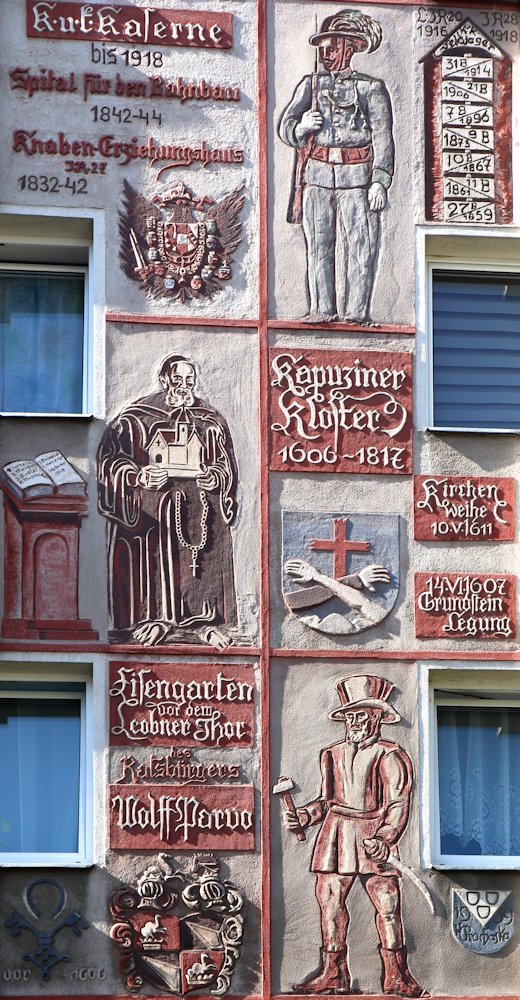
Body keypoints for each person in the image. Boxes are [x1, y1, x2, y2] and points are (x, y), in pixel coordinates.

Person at [283, 674, 426, 997]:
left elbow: (399, 802)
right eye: (351, 715)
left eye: (362, 714)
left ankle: (397, 976)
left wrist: (387, 836)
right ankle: (333, 974)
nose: (355, 721)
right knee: (330, 904)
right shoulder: (331, 753)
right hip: (335, 834)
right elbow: (326, 800)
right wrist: (305, 816)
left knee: (387, 905)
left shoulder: (390, 754)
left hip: (373, 836)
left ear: (377, 717)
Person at [97, 355, 238, 648]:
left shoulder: (209, 419)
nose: (184, 387)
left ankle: (205, 623)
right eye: (178, 380)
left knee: (202, 557)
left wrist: (217, 477)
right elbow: (108, 464)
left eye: (190, 381)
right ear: (164, 380)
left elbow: (225, 465)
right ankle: (154, 619)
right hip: (153, 512)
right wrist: (137, 475)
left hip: (199, 509)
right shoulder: (136, 418)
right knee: (157, 556)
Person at [279, 9, 394, 323]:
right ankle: (321, 310)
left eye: (332, 46)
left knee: (360, 246)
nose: (325, 53)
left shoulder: (370, 89)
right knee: (319, 246)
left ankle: (357, 313)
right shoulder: (311, 85)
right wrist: (301, 127)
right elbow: (286, 126)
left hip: (357, 178)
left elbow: (383, 137)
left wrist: (379, 181)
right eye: (322, 47)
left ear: (350, 47)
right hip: (316, 175)